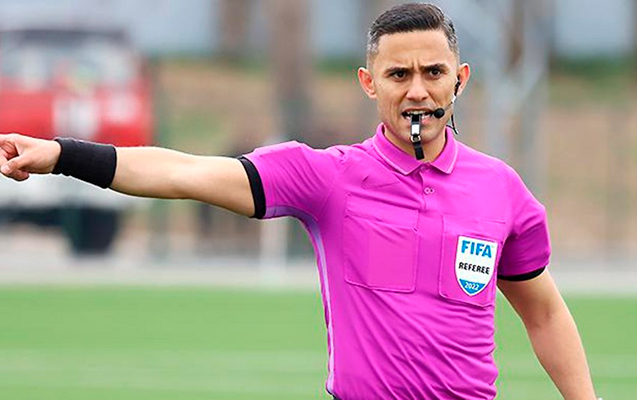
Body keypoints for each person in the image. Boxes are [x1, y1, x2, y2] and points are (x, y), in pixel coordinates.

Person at [0, 3, 599, 400]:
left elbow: (544, 314)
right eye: (399, 75)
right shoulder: (328, 178)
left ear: (460, 79)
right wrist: (61, 153)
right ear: (369, 83)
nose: (417, 90)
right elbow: (183, 172)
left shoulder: (501, 189)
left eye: (433, 73)